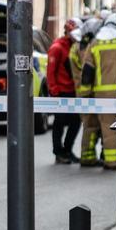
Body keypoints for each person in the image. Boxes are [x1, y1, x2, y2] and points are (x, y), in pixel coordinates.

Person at [79, 12, 116, 169]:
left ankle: (111, 161)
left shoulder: (95, 44)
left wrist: (85, 94)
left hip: (102, 95)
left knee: (108, 127)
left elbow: (87, 72)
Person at [47, 17, 82, 164]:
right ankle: (59, 152)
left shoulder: (74, 46)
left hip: (73, 91)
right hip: (61, 92)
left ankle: (67, 150)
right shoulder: (57, 48)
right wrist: (54, 91)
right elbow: (51, 71)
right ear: (67, 31)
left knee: (76, 122)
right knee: (59, 123)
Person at [74, 17, 103, 166]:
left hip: (86, 92)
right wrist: (86, 94)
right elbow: (87, 71)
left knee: (92, 126)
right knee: (90, 125)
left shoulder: (80, 46)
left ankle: (88, 155)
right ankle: (87, 156)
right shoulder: (84, 48)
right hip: (87, 93)